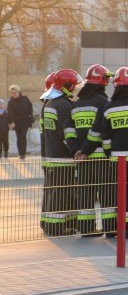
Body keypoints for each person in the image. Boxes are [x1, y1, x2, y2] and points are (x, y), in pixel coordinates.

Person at [66, 65, 115, 237]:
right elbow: (99, 130)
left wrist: (76, 151)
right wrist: (86, 150)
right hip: (100, 157)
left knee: (85, 193)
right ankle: (110, 228)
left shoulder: (75, 104)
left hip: (82, 159)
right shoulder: (103, 102)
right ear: (103, 81)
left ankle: (87, 229)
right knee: (106, 193)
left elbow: (68, 131)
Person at [99, 66, 128, 238]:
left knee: (122, 198)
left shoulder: (108, 107)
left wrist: (110, 153)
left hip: (118, 161)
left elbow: (106, 136)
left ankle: (125, 230)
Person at [41, 69, 83, 237]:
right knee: (62, 192)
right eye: (73, 86)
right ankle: (55, 227)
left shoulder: (50, 104)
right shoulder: (65, 105)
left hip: (51, 155)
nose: (74, 90)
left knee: (53, 191)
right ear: (66, 86)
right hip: (62, 157)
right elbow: (66, 133)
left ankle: (51, 224)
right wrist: (75, 150)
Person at [7, 84, 34, 159]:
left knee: (23, 136)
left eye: (15, 93)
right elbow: (10, 113)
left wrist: (30, 115)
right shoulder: (10, 102)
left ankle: (23, 153)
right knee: (19, 137)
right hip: (17, 122)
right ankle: (20, 153)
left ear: (18, 92)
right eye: (12, 93)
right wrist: (11, 122)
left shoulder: (25, 98)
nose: (13, 94)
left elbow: (30, 106)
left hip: (25, 121)